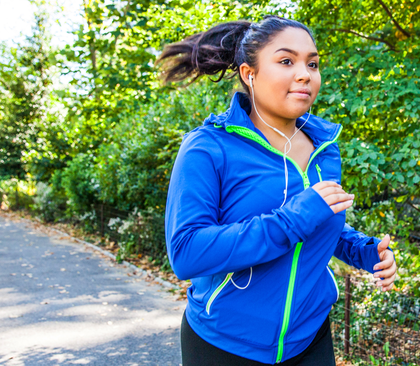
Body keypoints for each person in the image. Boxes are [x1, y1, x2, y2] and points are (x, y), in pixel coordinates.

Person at [161, 16, 397, 366]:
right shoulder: (208, 147)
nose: (305, 74)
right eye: (286, 61)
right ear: (249, 73)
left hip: (311, 339)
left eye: (312, 64)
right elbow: (187, 252)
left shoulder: (325, 148)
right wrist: (293, 218)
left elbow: (320, 221)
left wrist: (364, 251)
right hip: (226, 345)